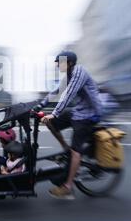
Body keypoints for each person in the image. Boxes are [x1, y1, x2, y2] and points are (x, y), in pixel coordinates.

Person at [35, 51, 103, 200]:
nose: (57, 65)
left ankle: (68, 187)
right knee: (51, 123)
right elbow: (56, 91)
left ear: (70, 63)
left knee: (76, 150)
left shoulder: (79, 72)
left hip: (90, 114)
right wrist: (38, 106)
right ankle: (66, 149)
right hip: (79, 110)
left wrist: (55, 113)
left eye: (60, 62)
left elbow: (69, 93)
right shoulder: (70, 75)